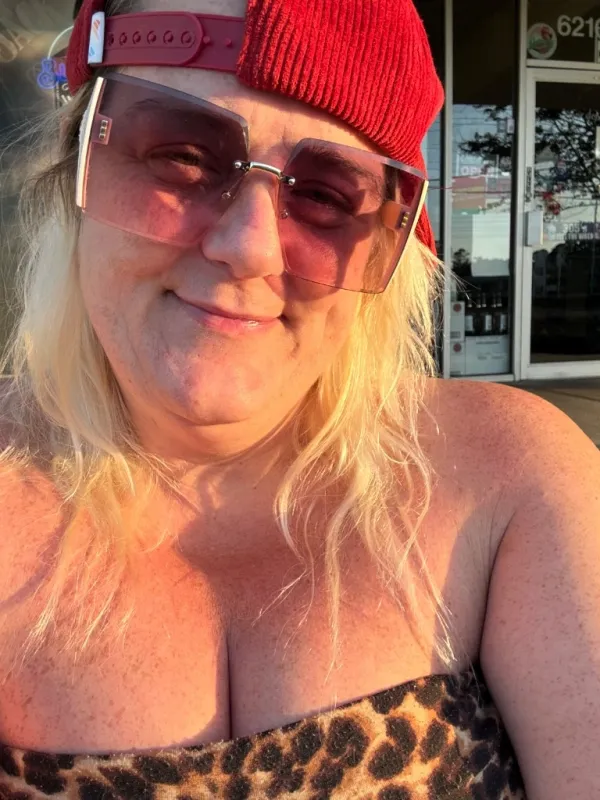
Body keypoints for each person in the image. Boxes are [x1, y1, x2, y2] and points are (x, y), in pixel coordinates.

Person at [0, 0, 598, 797]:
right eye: (180, 155)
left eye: (326, 195)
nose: (248, 248)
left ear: (390, 248)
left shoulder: (512, 482)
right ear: (75, 162)